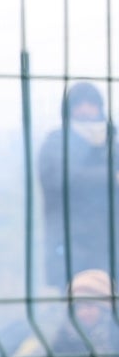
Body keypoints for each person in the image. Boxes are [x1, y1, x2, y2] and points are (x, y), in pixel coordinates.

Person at [38, 82, 119, 291]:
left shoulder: (113, 141)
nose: (85, 109)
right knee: (80, 312)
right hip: (72, 246)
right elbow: (61, 177)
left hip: (112, 244)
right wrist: (111, 177)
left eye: (91, 103)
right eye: (78, 104)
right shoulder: (56, 142)